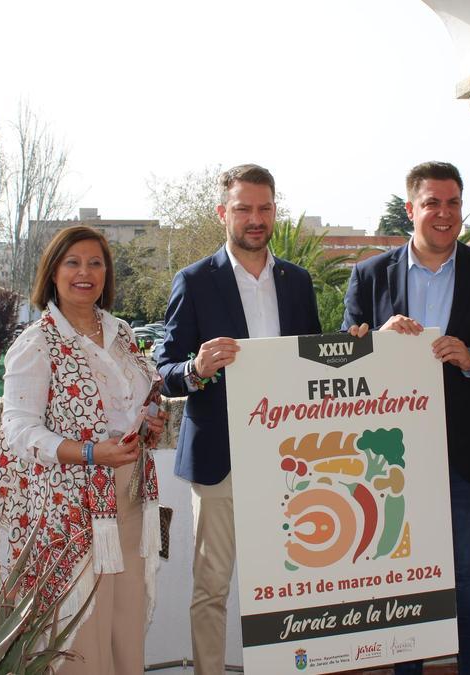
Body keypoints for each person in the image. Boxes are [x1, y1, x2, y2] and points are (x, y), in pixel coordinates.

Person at [343, 161, 470, 674]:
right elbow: (344, 356)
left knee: (466, 571)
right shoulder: (369, 275)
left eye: (452, 203)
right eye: (432, 203)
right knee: (403, 576)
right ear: (411, 209)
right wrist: (377, 340)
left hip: (466, 452)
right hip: (389, 456)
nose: (443, 214)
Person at [156, 163, 321, 675]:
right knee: (212, 587)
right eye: (244, 208)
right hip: (220, 462)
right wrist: (196, 369)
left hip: (291, 460)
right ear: (222, 213)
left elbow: (316, 363)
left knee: (288, 584)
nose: (255, 218)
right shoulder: (194, 281)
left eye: (264, 208)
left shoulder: (298, 282)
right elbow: (164, 371)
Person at [0, 225, 169, 675]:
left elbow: (133, 402)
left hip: (129, 496)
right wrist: (91, 453)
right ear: (52, 273)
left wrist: (149, 424)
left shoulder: (121, 332)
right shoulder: (37, 343)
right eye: (72, 263)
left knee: (127, 620)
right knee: (82, 630)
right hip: (70, 507)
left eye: (95, 263)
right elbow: (18, 430)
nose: (85, 273)